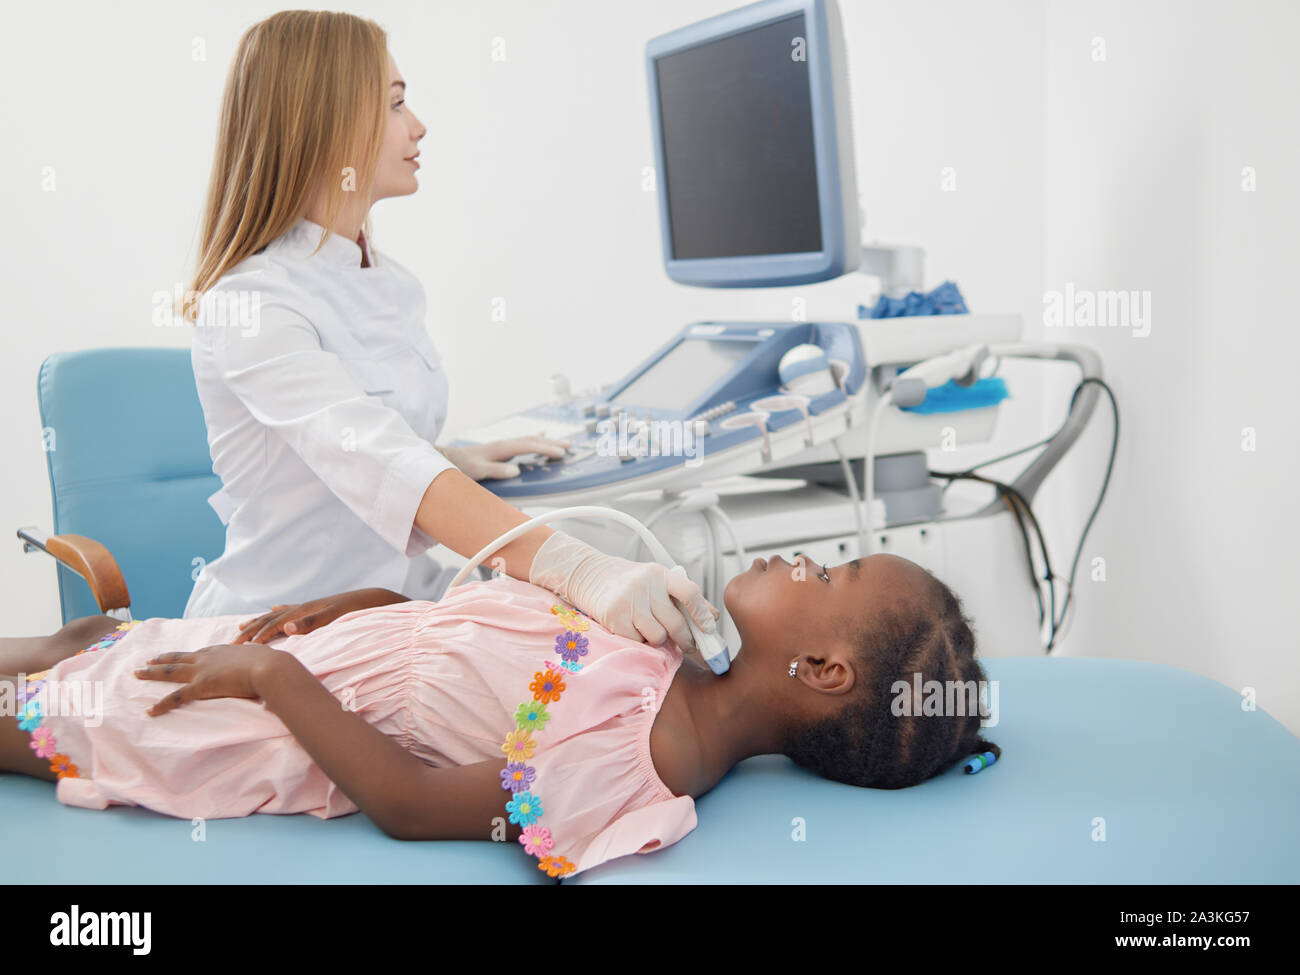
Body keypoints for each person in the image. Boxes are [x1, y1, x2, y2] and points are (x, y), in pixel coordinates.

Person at [181, 10, 713, 649]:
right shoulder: (253, 304)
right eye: (396, 104)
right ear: (323, 124)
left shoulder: (386, 280)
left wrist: (450, 458)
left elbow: (376, 446)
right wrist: (581, 572)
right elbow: (371, 456)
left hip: (385, 607)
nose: (418, 125)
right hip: (275, 639)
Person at [0, 552, 1001, 878]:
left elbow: (411, 799)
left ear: (822, 670)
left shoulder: (634, 758)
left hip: (249, 720)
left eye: (825, 572)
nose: (797, 559)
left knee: (56, 708)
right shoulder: (664, 646)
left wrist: (273, 685)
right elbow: (475, 650)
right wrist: (369, 608)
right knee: (84, 637)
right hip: (289, 655)